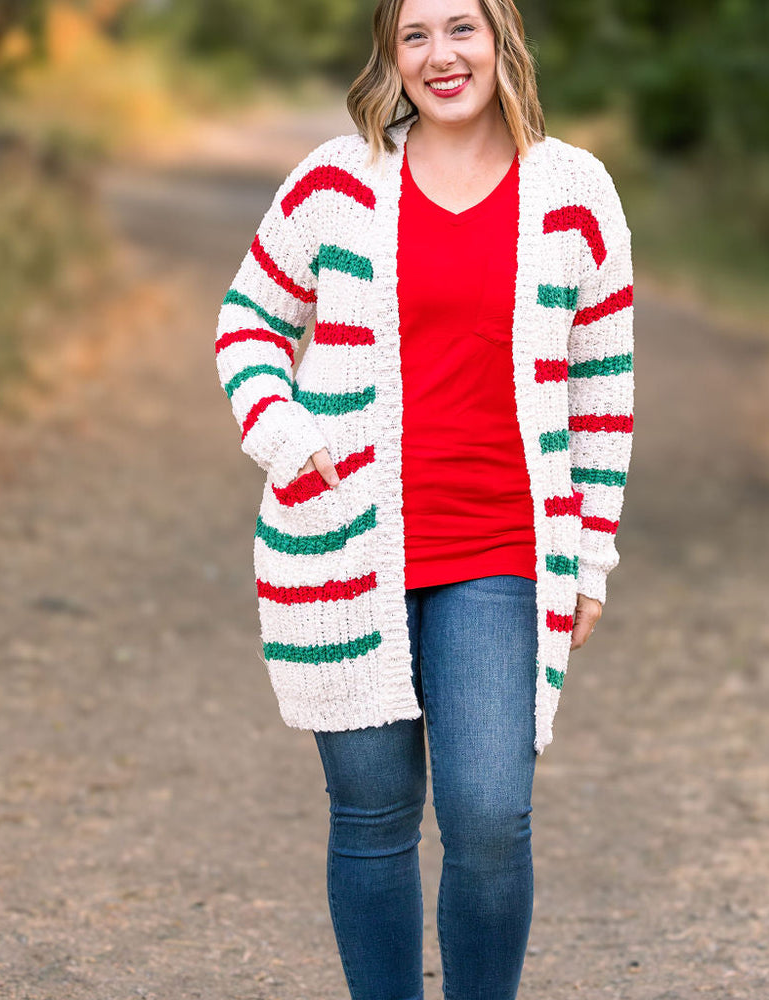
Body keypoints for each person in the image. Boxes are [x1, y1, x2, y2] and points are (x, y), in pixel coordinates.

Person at [214, 0, 634, 996]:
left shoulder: (572, 191)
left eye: (461, 29)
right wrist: (283, 432)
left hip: (500, 548)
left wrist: (592, 560)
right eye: (415, 36)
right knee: (371, 814)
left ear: (501, 39)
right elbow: (247, 324)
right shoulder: (335, 180)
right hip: (344, 546)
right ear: (389, 55)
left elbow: (600, 394)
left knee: (489, 815)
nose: (440, 56)